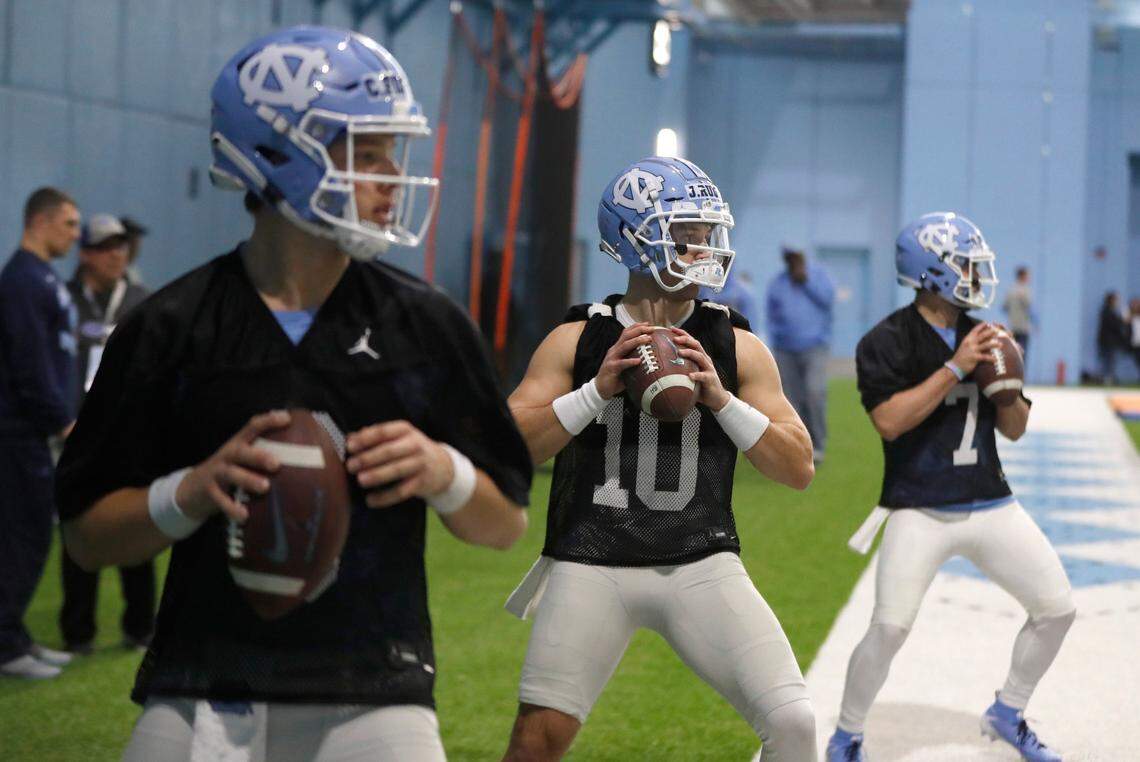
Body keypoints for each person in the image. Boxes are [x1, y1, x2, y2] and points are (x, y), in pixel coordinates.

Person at [57, 26, 531, 761]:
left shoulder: (426, 325)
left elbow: (504, 525)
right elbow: (87, 540)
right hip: (205, 681)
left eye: (391, 151)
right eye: (364, 151)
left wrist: (443, 472)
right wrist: (189, 492)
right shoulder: (171, 327)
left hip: (373, 686)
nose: (390, 177)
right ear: (277, 155)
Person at [501, 157, 818, 762]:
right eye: (686, 234)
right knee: (535, 745)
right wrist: (595, 390)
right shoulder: (577, 338)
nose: (703, 248)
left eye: (706, 233)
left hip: (700, 559)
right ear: (632, 240)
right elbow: (509, 447)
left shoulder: (736, 344)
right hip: (590, 557)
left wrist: (723, 400)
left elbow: (798, 467)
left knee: (794, 722)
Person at [825, 212, 1073, 762]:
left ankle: (1007, 712)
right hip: (919, 507)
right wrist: (956, 368)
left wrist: (1007, 386)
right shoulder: (886, 340)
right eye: (964, 264)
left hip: (991, 501)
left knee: (1057, 609)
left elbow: (1015, 429)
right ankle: (846, 736)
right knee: (889, 627)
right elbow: (890, 422)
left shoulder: (985, 335)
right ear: (930, 271)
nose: (975, 275)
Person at [59, 214, 155, 654]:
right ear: (86, 254)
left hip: (130, 434)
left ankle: (141, 627)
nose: (118, 255)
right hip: (76, 434)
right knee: (79, 527)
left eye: (122, 247)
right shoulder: (64, 300)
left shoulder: (141, 301)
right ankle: (78, 632)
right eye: (107, 248)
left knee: (135, 525)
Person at [0, 187, 81, 680]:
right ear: (41, 221)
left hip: (33, 431)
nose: (75, 234)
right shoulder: (22, 281)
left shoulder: (43, 277)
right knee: (21, 534)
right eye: (69, 224)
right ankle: (5, 644)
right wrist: (60, 420)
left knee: (30, 534)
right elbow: (29, 361)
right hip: (18, 431)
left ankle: (14, 632)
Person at [765, 247, 834, 464]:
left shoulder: (818, 277)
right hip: (785, 349)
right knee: (791, 399)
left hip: (815, 347)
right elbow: (771, 315)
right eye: (789, 259)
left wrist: (806, 281)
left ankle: (818, 443)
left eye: (796, 258)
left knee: (814, 393)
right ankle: (800, 443)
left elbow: (828, 300)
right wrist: (776, 340)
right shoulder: (777, 283)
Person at [1097, 291, 1130, 385]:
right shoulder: (1106, 311)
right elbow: (1113, 325)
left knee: (1110, 361)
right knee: (1108, 361)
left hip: (1110, 341)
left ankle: (1109, 378)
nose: (1117, 302)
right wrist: (1123, 321)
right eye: (1116, 300)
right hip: (1108, 342)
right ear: (1111, 300)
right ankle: (1107, 379)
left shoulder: (1111, 311)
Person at [1002, 265, 1034, 362]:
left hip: (1013, 326)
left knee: (1013, 353)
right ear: (1022, 276)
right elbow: (1028, 305)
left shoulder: (1010, 290)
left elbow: (1004, 306)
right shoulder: (1026, 290)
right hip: (1023, 327)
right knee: (1022, 354)